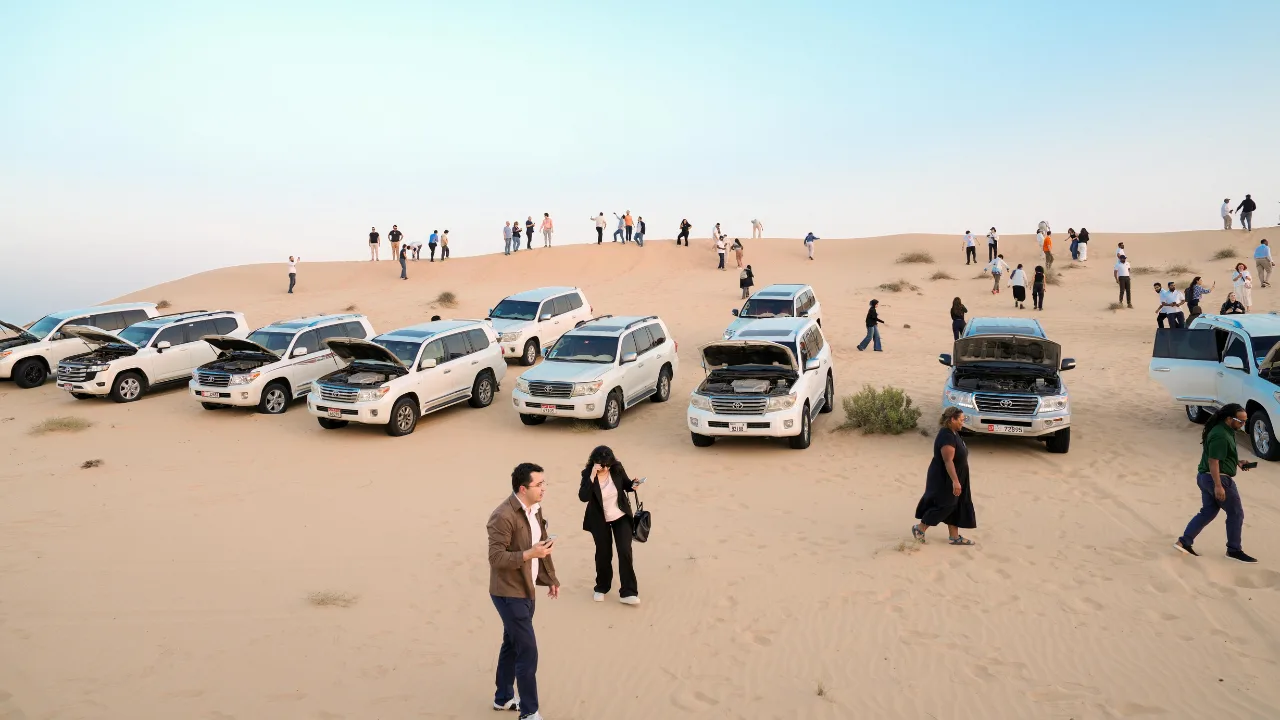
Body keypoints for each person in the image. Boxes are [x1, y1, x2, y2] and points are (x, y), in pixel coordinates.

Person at [487, 462, 560, 719]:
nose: (543, 489)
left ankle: (503, 698)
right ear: (522, 488)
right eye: (538, 484)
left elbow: (542, 544)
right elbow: (496, 558)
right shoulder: (502, 516)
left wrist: (551, 578)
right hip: (508, 593)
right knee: (527, 650)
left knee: (512, 643)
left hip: (528, 588)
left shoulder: (535, 509)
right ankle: (529, 712)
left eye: (544, 483)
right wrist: (530, 554)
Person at [1174, 404, 1257, 563]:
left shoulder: (1224, 430)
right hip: (1218, 479)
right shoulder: (1221, 435)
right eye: (1240, 421)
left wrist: (1237, 462)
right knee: (1236, 513)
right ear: (1229, 419)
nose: (1243, 424)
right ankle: (1234, 550)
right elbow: (1213, 461)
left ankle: (1184, 542)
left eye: (1245, 421)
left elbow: (1219, 455)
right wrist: (1218, 485)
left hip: (1204, 477)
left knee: (1208, 511)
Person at [578, 446, 641, 605]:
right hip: (599, 520)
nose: (605, 469)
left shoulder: (617, 469)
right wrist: (592, 476)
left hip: (621, 516)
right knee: (603, 553)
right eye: (601, 466)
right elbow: (583, 497)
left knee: (625, 551)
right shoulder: (587, 474)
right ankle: (601, 587)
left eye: (607, 465)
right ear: (595, 463)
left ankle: (628, 592)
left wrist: (633, 485)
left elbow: (626, 485)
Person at [911, 407, 976, 546]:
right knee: (946, 504)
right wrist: (955, 481)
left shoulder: (953, 432)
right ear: (952, 419)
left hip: (957, 475)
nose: (963, 422)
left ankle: (954, 537)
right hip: (945, 477)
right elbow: (948, 461)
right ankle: (920, 528)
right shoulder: (946, 436)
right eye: (961, 420)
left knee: (956, 504)